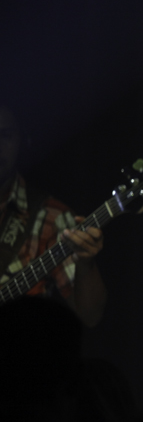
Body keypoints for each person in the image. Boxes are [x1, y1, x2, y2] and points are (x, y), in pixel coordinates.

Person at [0, 106, 107, 327]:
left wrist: (85, 263)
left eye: (5, 135)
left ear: (23, 141)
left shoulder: (53, 217)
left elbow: (90, 316)